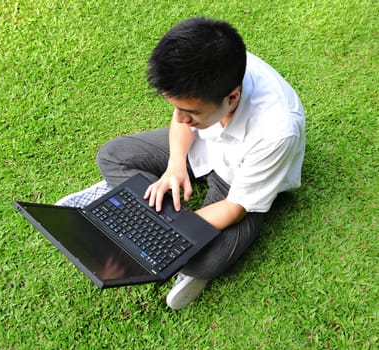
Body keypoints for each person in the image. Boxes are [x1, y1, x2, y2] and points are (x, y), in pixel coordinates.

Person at [57, 17, 305, 309]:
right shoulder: (209, 71)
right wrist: (175, 165)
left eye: (190, 112)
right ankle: (138, 196)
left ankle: (132, 198)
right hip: (201, 149)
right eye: (176, 107)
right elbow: (181, 121)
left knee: (207, 263)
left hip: (237, 180)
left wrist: (167, 235)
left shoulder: (276, 132)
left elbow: (235, 208)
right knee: (111, 155)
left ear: (232, 97)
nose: (180, 118)